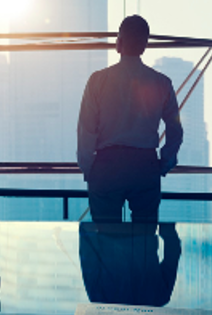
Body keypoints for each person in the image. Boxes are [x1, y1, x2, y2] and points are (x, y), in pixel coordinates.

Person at [77, 15, 183, 224]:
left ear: (119, 43)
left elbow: (86, 130)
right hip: (145, 165)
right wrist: (163, 163)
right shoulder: (161, 83)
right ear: (144, 46)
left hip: (106, 165)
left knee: (105, 239)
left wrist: (89, 168)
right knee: (145, 242)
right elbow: (175, 129)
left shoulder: (98, 81)